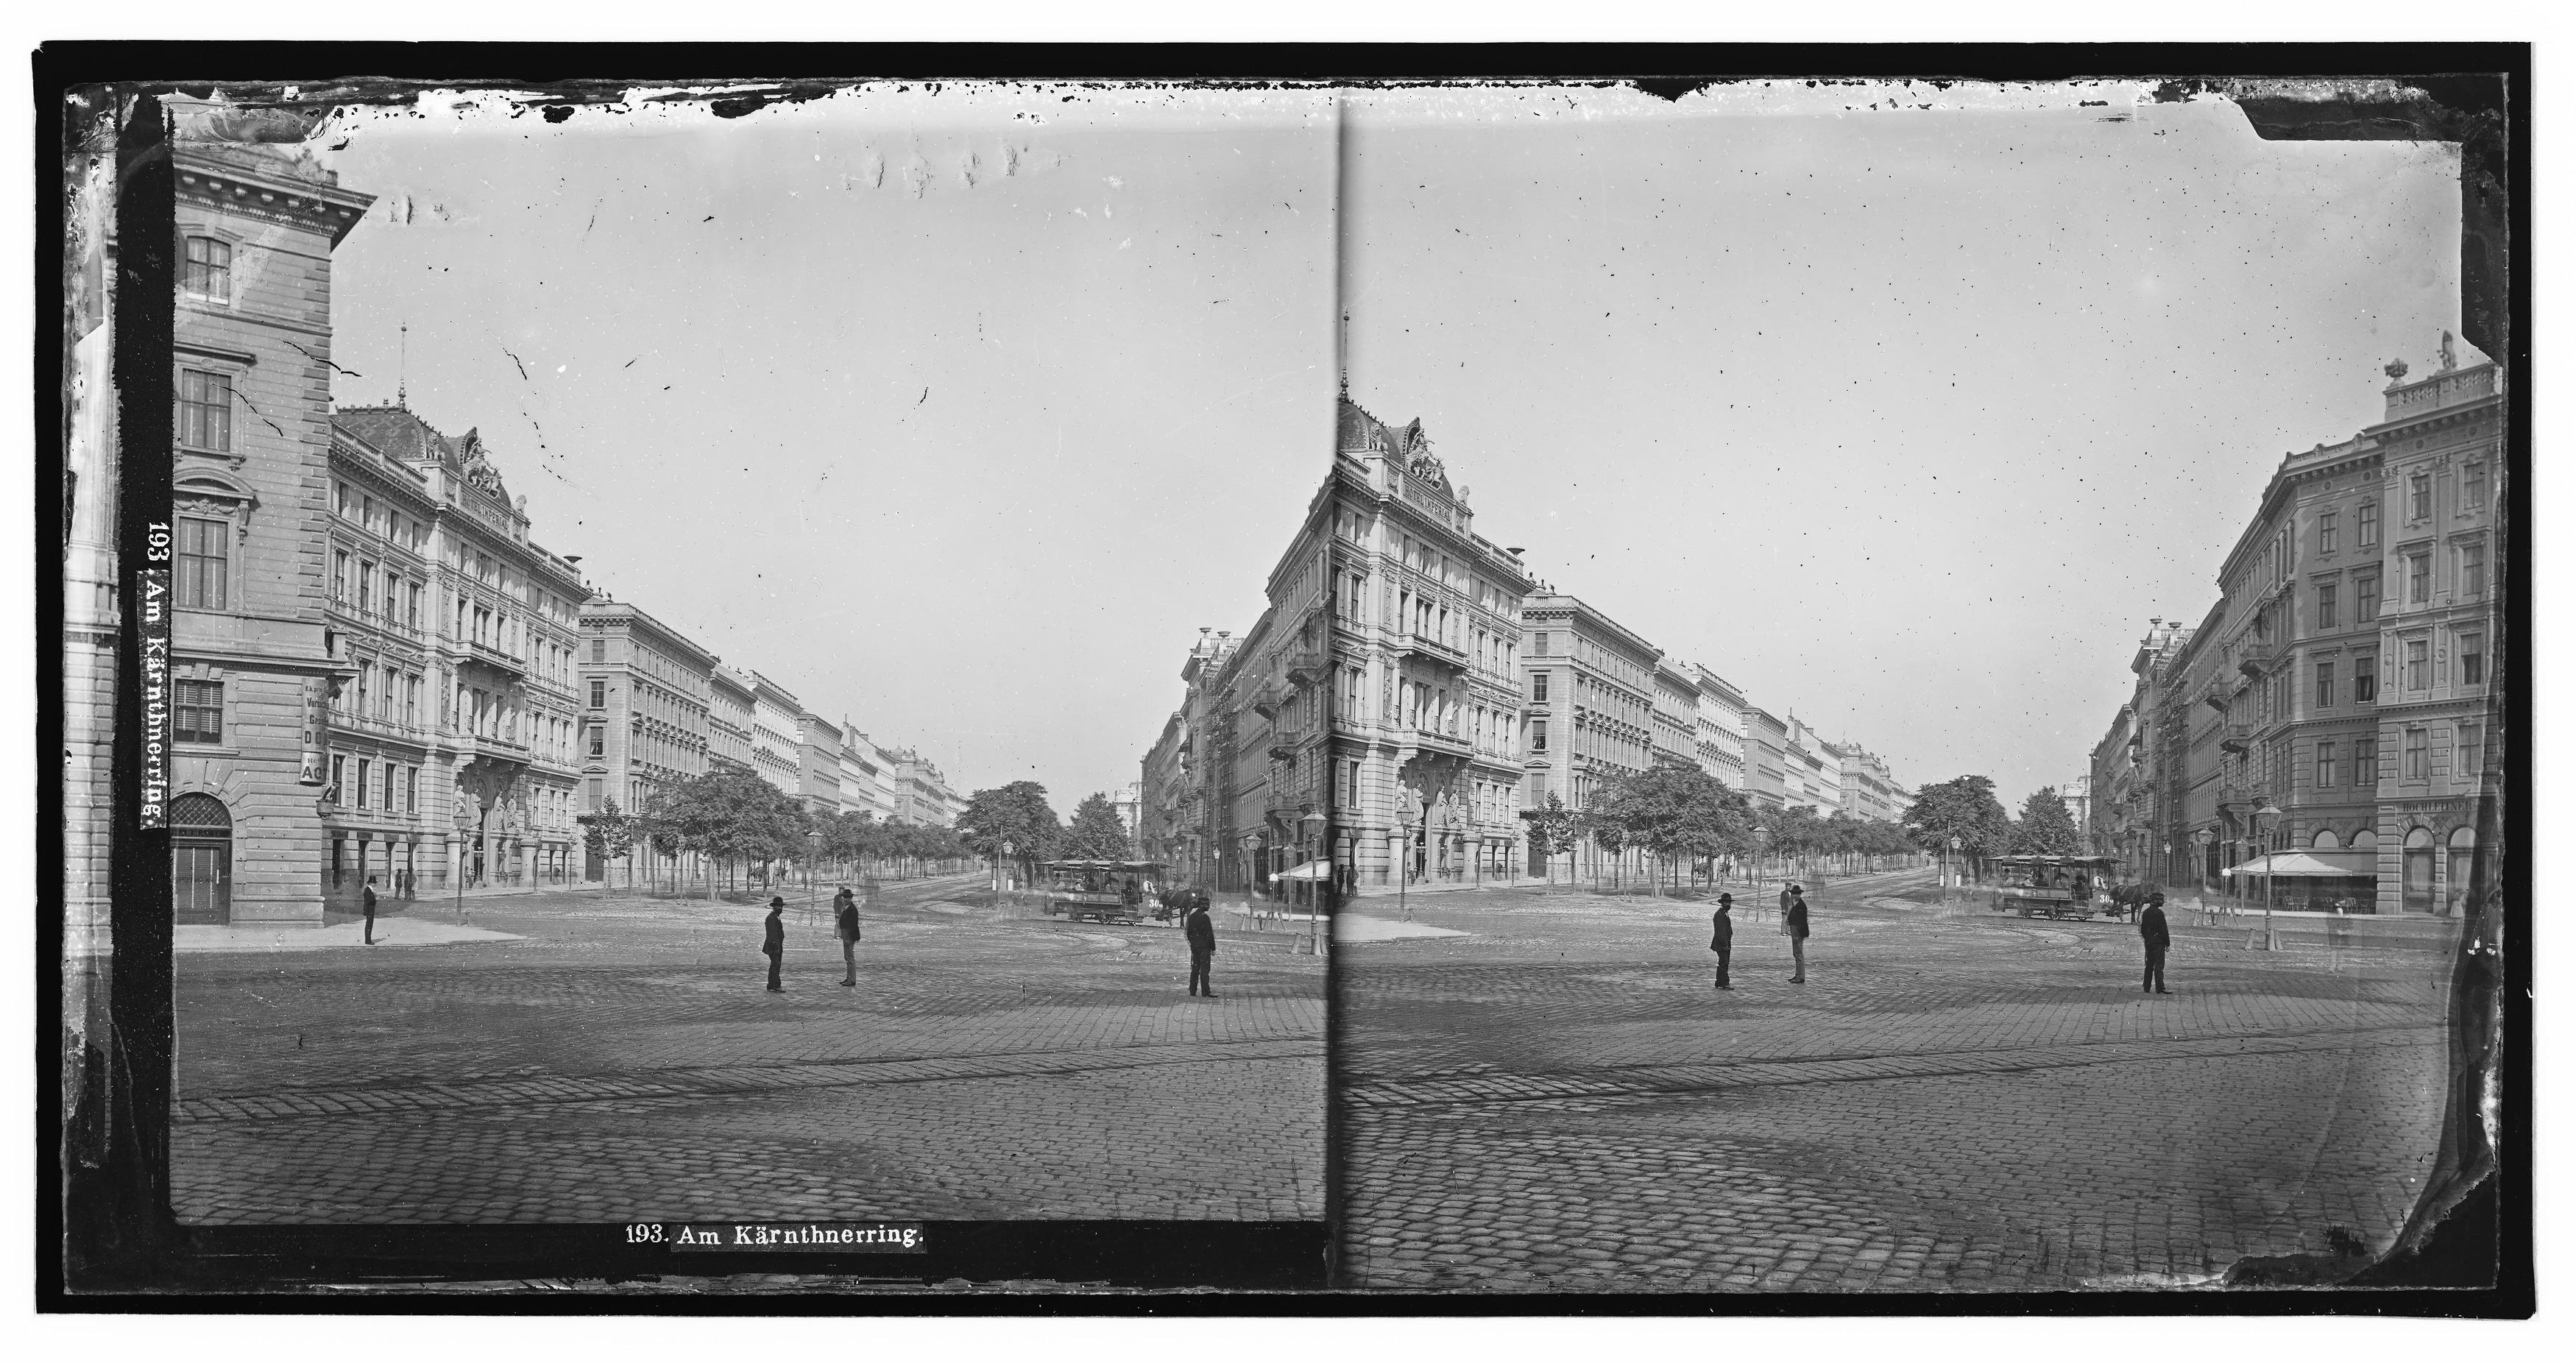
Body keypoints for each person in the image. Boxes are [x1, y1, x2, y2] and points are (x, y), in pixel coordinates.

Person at [1183, 894, 1217, 998]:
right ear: (1202, 905)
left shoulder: (1192, 916)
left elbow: (1188, 933)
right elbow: (1209, 934)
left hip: (1195, 947)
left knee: (1195, 969)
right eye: (1207, 904)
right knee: (1205, 970)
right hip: (1204, 947)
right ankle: (1206, 991)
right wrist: (1213, 948)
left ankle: (1193, 991)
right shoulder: (1205, 918)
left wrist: (1193, 943)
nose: (1208, 906)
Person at [2140, 893, 2172, 994]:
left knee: (2149, 965)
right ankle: (2160, 987)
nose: (2162, 902)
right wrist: (2168, 943)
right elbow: (2163, 930)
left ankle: (2146, 987)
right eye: (2160, 900)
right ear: (2154, 901)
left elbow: (2143, 929)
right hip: (2159, 943)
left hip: (2149, 942)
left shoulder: (2145, 912)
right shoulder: (2159, 913)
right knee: (2159, 965)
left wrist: (2147, 940)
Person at [834, 886, 861, 987]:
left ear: (851, 898)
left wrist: (847, 939)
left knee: (850, 958)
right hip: (846, 936)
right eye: (845, 897)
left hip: (849, 936)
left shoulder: (852, 909)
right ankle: (848, 977)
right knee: (847, 957)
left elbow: (852, 925)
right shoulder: (846, 908)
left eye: (847, 897)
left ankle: (852, 979)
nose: (845, 899)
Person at [1710, 893, 1735, 990]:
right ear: (1722, 903)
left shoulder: (1724, 913)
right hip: (1721, 943)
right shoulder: (1719, 915)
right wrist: (1724, 945)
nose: (1728, 904)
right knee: (1724, 963)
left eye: (1729, 902)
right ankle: (1725, 982)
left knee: (1723, 962)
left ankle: (1719, 981)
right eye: (1726, 902)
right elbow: (1720, 932)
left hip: (1726, 942)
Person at [1786, 888, 1811, 983]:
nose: (1794, 896)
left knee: (1799, 954)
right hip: (1795, 932)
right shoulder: (1795, 904)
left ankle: (1801, 976)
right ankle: (1797, 975)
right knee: (1796, 954)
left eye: (1796, 894)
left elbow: (1802, 921)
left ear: (1799, 895)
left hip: (1798, 932)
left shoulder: (1801, 905)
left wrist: (1798, 935)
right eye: (1793, 894)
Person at [762, 896, 787, 992]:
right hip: (773, 946)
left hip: (777, 945)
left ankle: (771, 985)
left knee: (775, 965)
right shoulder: (771, 918)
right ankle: (776, 985)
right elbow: (772, 935)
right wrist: (776, 948)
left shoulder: (776, 917)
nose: (780, 908)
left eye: (781, 906)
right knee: (776, 965)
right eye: (778, 906)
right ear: (774, 907)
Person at [361, 876, 381, 946]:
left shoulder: (369, 890)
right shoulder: (368, 890)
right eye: (374, 883)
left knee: (369, 924)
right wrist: (375, 899)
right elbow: (369, 901)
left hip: (370, 909)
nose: (375, 884)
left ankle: (368, 939)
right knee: (369, 925)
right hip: (369, 909)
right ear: (371, 883)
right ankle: (368, 940)